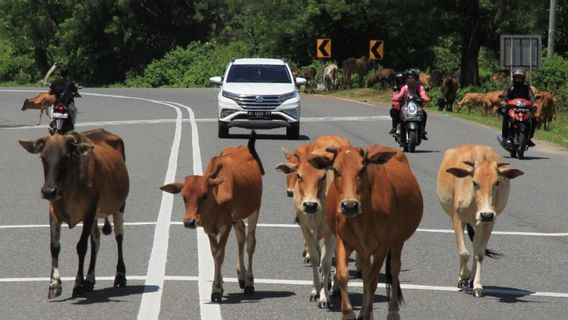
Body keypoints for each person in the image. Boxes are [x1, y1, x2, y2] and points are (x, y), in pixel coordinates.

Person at [499, 68, 537, 147]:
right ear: (514, 78)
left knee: (533, 118)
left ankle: (529, 137)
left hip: (525, 108)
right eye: (517, 77)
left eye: (520, 77)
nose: (518, 79)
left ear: (523, 78)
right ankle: (505, 137)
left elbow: (531, 97)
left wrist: (534, 103)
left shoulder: (526, 88)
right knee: (506, 117)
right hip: (512, 107)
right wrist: (504, 101)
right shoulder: (510, 87)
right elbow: (505, 95)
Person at [392, 69, 431, 139]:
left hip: (417, 106)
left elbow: (423, 94)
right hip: (405, 106)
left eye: (412, 78)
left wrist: (426, 98)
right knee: (399, 113)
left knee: (424, 114)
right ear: (406, 79)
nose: (410, 79)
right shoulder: (405, 88)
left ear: (415, 78)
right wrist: (396, 97)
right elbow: (400, 94)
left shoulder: (419, 87)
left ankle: (422, 131)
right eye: (408, 78)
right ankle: (398, 129)